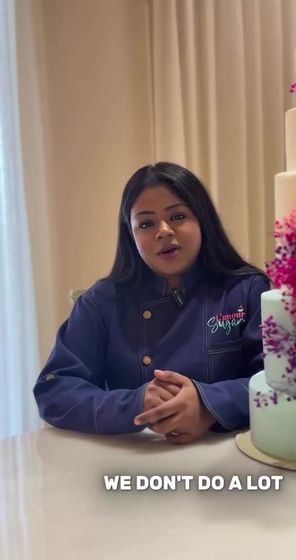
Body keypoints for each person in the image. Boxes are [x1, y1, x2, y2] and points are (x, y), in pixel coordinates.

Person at [33, 162, 269, 444]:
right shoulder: (100, 303)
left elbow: (279, 381)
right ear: (131, 235)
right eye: (146, 224)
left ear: (203, 220)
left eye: (178, 216)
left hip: (229, 456)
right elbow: (54, 390)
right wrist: (134, 404)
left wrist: (209, 404)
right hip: (134, 456)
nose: (164, 231)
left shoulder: (247, 290)